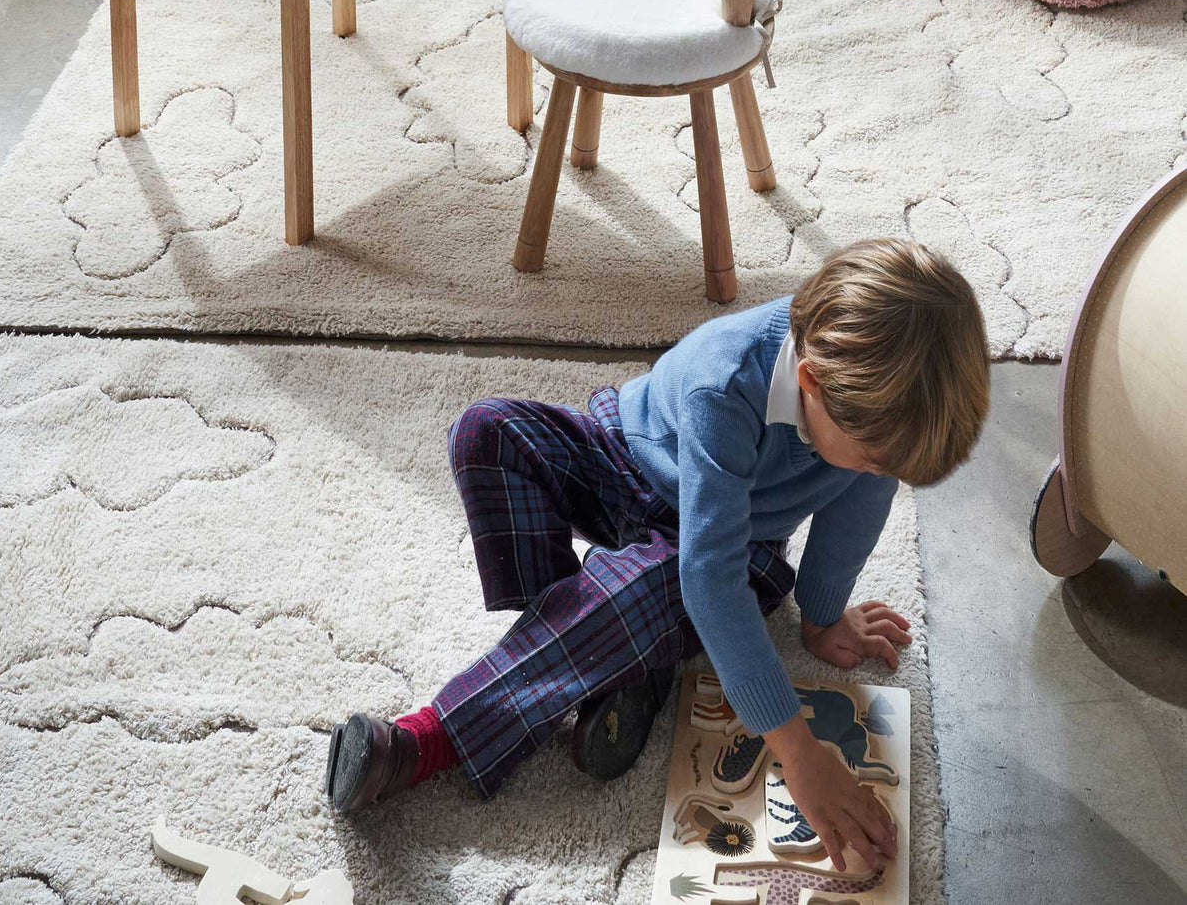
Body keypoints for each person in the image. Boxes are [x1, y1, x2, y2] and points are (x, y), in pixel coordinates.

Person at [325, 238, 989, 871]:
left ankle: (429, 738)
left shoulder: (864, 404)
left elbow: (820, 528)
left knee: (645, 589)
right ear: (811, 382)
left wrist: (820, 617)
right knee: (486, 431)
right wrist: (798, 751)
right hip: (623, 456)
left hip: (737, 545)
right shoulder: (727, 380)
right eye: (875, 460)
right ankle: (599, 651)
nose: (880, 474)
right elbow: (708, 576)